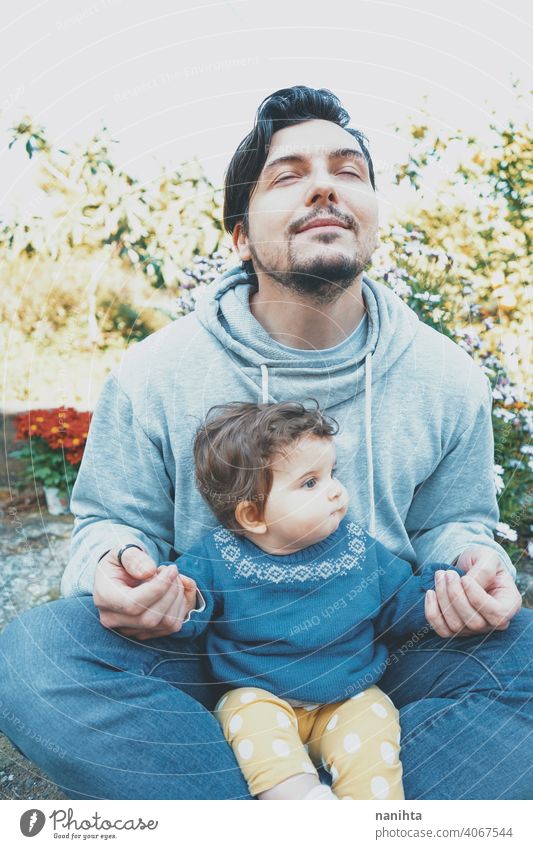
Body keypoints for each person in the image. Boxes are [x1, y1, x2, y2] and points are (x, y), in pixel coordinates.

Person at [0, 86, 530, 801]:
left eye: (349, 171)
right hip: (206, 652)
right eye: (287, 175)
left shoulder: (445, 375)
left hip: (384, 650)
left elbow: (451, 521)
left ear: (371, 218)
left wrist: (472, 562)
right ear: (240, 235)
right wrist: (118, 564)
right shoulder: (156, 374)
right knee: (34, 656)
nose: (324, 185)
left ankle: (319, 797)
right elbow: (109, 522)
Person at [166, 399, 468, 801]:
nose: (335, 492)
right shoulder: (216, 557)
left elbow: (403, 602)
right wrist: (182, 602)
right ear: (252, 516)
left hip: (347, 696)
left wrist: (449, 591)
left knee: (374, 725)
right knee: (246, 716)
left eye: (331, 474)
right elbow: (189, 615)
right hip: (260, 695)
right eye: (311, 483)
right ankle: (302, 803)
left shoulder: (359, 549)